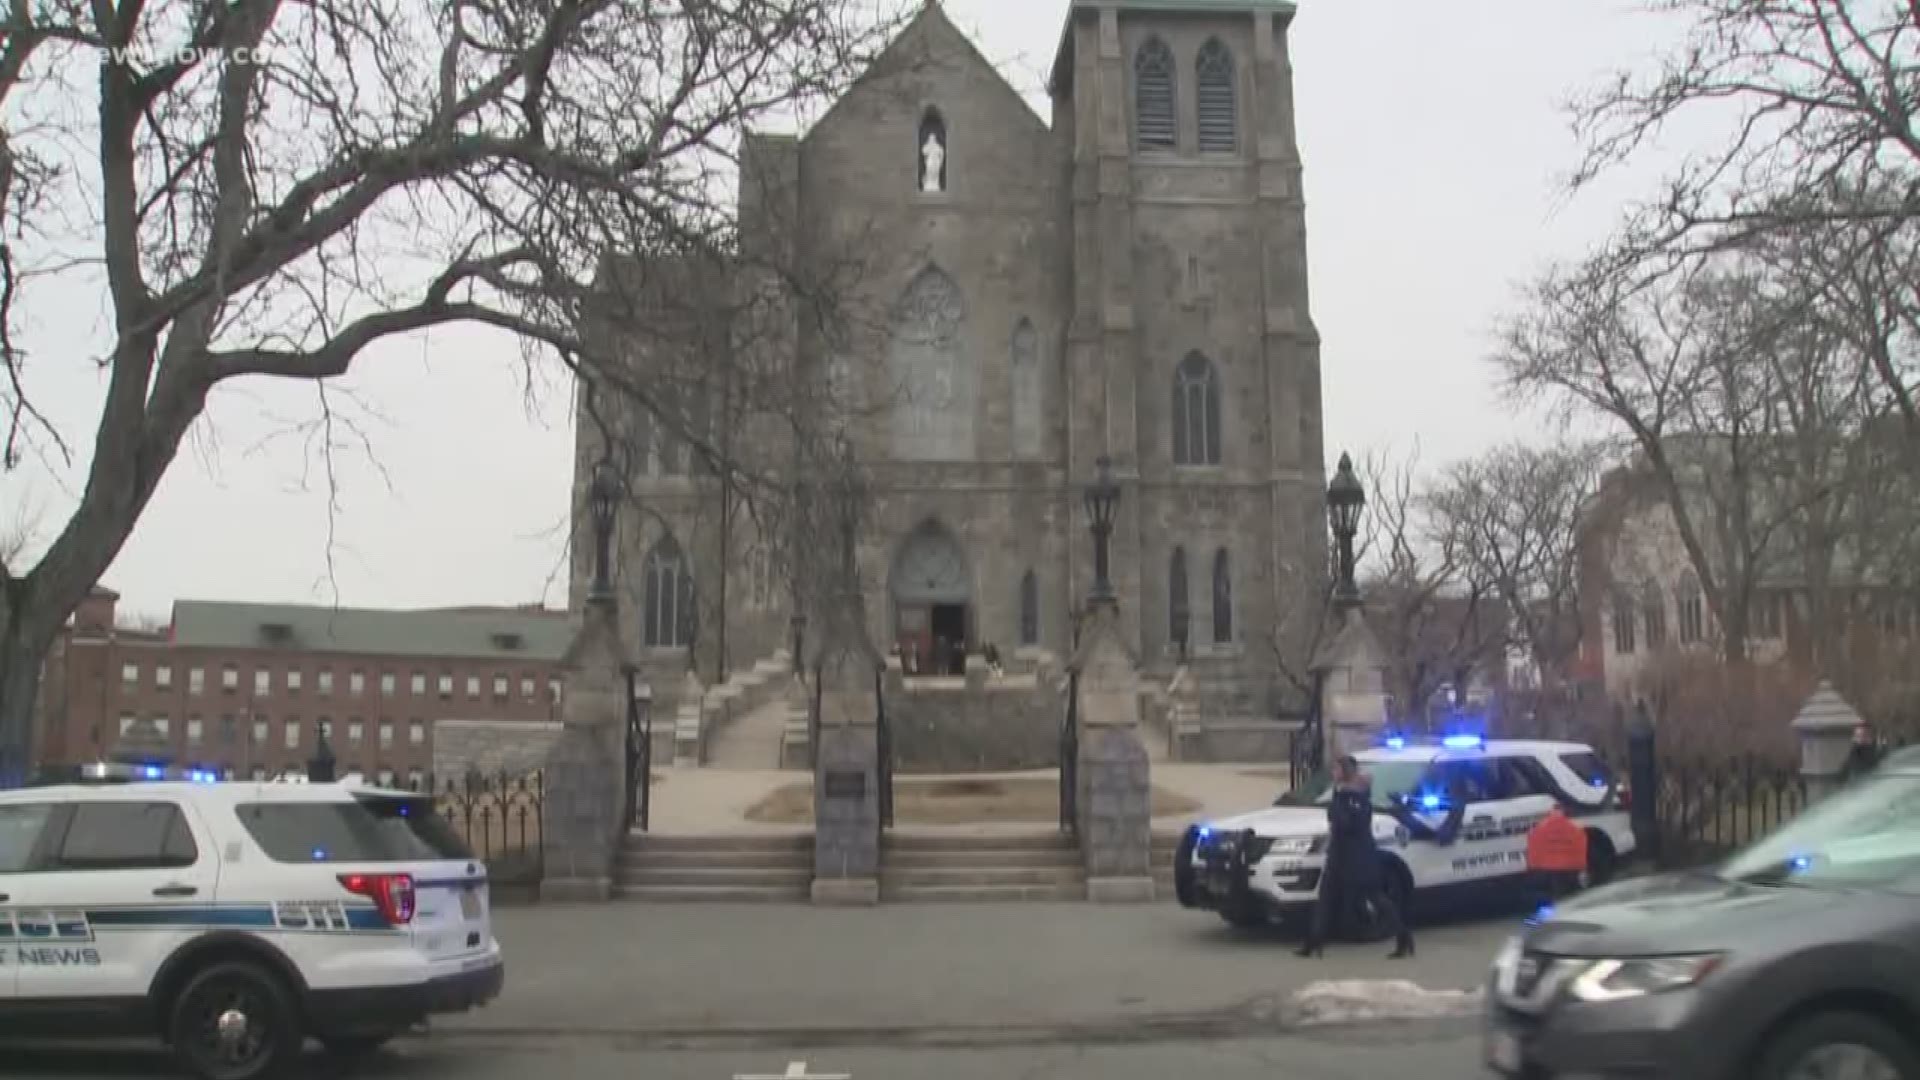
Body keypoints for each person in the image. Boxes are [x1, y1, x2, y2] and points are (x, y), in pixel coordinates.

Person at [1296, 755, 1415, 959]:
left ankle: (1403, 936)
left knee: (1375, 898)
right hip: (1338, 856)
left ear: (1345, 772)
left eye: (1336, 769)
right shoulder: (1341, 794)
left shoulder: (1356, 798)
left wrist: (1336, 807)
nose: (1333, 774)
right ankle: (1313, 942)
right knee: (1325, 898)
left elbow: (1348, 824)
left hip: (1358, 858)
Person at [1525, 802, 1588, 911]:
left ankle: (1560, 910)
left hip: (1549, 867)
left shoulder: (1540, 828)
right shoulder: (1574, 828)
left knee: (1557, 891)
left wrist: (1533, 866)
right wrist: (1582, 866)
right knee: (1574, 892)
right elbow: (1580, 847)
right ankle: (1575, 910)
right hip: (1570, 866)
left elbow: (1533, 847)